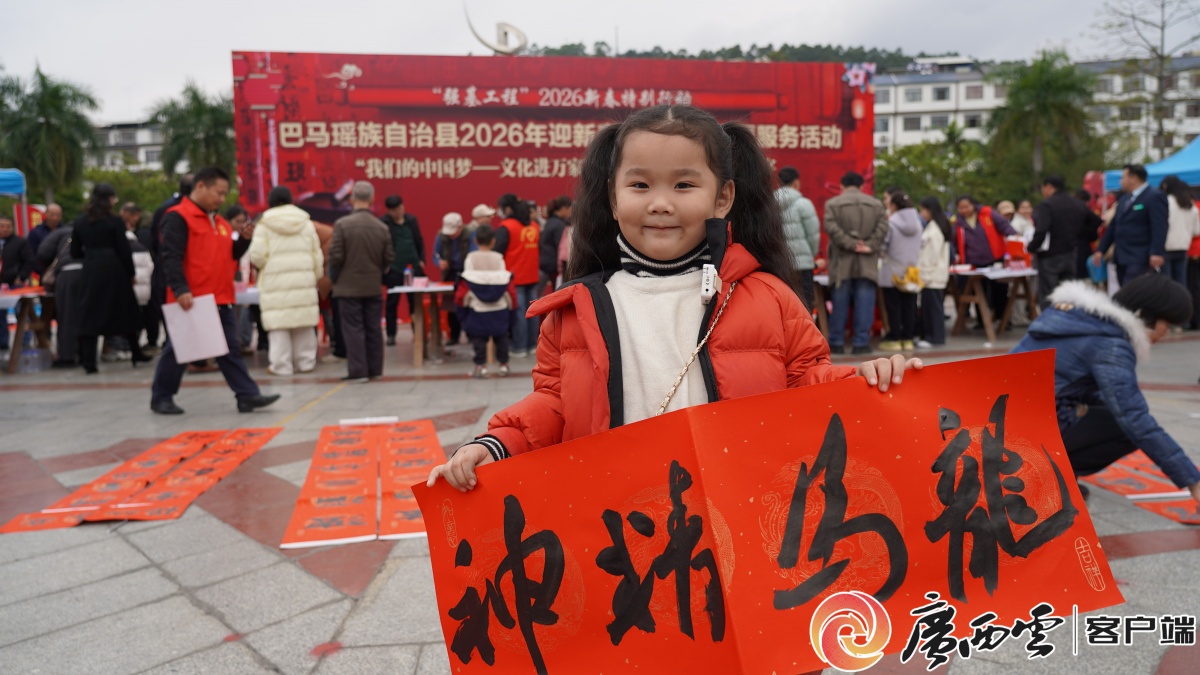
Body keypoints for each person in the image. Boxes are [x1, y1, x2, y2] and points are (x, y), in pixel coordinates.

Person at [426, 104, 922, 490]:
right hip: (620, 527)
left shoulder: (768, 296)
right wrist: (497, 443)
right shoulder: (575, 310)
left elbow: (807, 384)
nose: (660, 203)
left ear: (722, 197)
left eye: (684, 185)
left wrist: (865, 380)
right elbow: (554, 403)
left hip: (742, 517)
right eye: (640, 184)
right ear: (613, 197)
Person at [1011, 275, 1200, 504]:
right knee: (1124, 427)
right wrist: (1193, 480)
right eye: (1166, 324)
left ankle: (1048, 474)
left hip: (1001, 422)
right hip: (1022, 437)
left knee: (1109, 409)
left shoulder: (1073, 318)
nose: (1165, 333)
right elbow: (1135, 419)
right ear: (1144, 314)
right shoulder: (1110, 345)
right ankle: (1044, 476)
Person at [150, 167, 279, 415]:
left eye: (224, 194)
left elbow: (229, 255)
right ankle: (161, 396)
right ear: (200, 187)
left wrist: (244, 240)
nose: (222, 199)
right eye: (218, 193)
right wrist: (180, 288)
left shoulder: (219, 222)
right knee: (179, 348)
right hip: (193, 298)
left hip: (220, 296)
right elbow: (170, 257)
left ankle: (247, 395)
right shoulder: (178, 217)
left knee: (229, 349)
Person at [71, 184, 149, 374]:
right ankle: (136, 352)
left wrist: (91, 256)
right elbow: (124, 250)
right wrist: (131, 273)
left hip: (91, 270)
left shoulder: (80, 222)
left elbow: (74, 251)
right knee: (125, 310)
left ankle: (89, 362)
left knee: (90, 313)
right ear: (109, 199)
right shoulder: (115, 222)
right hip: (115, 270)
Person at [249, 186, 324, 376]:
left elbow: (257, 256)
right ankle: (305, 363)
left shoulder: (264, 224)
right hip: (303, 280)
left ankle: (281, 366)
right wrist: (315, 276)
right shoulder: (306, 223)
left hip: (275, 282)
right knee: (304, 322)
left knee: (279, 324)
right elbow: (317, 254)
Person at [329, 181, 394, 383]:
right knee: (373, 328)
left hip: (347, 287)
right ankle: (375, 369)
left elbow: (335, 256)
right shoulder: (381, 227)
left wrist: (334, 278)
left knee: (353, 329)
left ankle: (358, 371)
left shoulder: (342, 225)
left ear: (352, 200)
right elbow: (388, 258)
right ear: (373, 200)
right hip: (372, 285)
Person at [824, 171, 888, 355]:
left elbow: (831, 228)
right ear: (861, 186)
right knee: (865, 303)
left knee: (839, 302)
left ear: (842, 186)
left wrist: (850, 244)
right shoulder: (876, 204)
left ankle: (836, 342)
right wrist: (869, 245)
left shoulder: (832, 204)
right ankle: (861, 343)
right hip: (867, 260)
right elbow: (883, 227)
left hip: (841, 261)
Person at [1031, 175, 1103, 308]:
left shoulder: (1047, 205)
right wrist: (1081, 234)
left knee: (1049, 294)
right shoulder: (1077, 204)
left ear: (1049, 187)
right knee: (1068, 294)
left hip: (1050, 256)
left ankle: (1050, 320)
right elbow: (1096, 221)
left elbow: (1041, 231)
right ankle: (1067, 319)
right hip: (1071, 254)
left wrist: (1031, 248)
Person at [456, 224, 514, 379]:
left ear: (475, 240)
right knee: (501, 337)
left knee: (478, 339)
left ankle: (480, 366)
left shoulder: (470, 258)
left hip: (478, 307)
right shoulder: (499, 258)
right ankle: (504, 365)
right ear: (493, 241)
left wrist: (461, 309)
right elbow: (504, 280)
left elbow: (466, 283)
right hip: (499, 305)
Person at [1096, 164, 1169, 285]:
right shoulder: (1124, 199)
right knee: (1124, 291)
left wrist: (1157, 252)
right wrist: (1101, 250)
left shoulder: (1154, 196)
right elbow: (1114, 226)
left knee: (1134, 291)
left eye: (1123, 177)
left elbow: (1159, 227)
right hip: (1121, 256)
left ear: (1133, 178)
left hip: (1140, 256)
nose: (1120, 181)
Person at [145, 174, 195, 350]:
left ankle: (173, 344)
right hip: (180, 266)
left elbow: (154, 241)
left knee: (169, 310)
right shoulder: (181, 211)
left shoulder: (163, 208)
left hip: (164, 263)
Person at [952, 195, 1018, 322]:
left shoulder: (988, 213)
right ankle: (981, 321)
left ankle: (1003, 318)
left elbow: (1004, 226)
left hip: (995, 258)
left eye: (966, 206)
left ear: (973, 205)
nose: (964, 210)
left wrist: (1014, 236)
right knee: (979, 291)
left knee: (999, 289)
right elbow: (954, 242)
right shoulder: (958, 223)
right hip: (973, 262)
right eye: (960, 208)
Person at [878, 190, 922, 351]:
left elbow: (883, 246)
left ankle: (894, 339)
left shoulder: (891, 223)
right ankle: (908, 339)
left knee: (893, 306)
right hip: (911, 271)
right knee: (910, 305)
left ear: (894, 205)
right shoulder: (918, 224)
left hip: (892, 271)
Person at [37, 216, 83, 367]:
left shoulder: (59, 233)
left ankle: (67, 356)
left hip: (66, 273)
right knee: (85, 315)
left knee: (66, 315)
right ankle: (85, 355)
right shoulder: (89, 231)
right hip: (88, 273)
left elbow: (43, 252)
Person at [498, 200, 541, 357]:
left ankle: (519, 347)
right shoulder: (535, 226)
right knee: (533, 312)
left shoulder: (507, 226)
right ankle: (533, 345)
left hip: (515, 277)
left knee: (519, 313)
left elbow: (498, 251)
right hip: (532, 275)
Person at [775, 166, 821, 310]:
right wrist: (810, 255)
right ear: (796, 183)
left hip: (779, 263)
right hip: (803, 265)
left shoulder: (769, 204)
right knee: (805, 305)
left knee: (783, 305)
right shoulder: (804, 204)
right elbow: (813, 235)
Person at [381, 195, 424, 346]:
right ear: (389, 211)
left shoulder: (411, 220)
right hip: (395, 268)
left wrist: (421, 260)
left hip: (413, 266)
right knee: (392, 303)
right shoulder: (384, 223)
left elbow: (419, 240)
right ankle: (391, 334)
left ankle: (417, 332)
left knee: (415, 302)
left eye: (400, 208)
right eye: (394, 210)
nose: (399, 212)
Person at [432, 212, 474, 345]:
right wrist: (439, 262)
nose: (450, 235)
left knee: (469, 304)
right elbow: (435, 255)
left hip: (467, 273)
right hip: (450, 273)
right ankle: (454, 335)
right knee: (451, 306)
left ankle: (471, 335)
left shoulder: (470, 234)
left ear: (460, 227)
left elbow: (474, 253)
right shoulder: (441, 236)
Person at [916, 196, 951, 348]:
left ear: (930, 210)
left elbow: (932, 256)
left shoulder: (935, 229)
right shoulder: (934, 226)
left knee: (933, 308)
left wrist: (925, 273)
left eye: (922, 210)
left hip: (932, 275)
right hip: (932, 274)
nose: (921, 213)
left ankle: (935, 337)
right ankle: (930, 335)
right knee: (930, 306)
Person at [120, 203, 155, 335]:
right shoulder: (145, 232)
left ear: (136, 216)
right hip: (144, 284)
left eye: (125, 217)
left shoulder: (143, 234)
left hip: (136, 283)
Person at [1160, 175, 1199, 289]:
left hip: (1165, 248)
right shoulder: (1190, 204)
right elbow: (1197, 230)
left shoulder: (1164, 202)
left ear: (1165, 186)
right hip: (1183, 248)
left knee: (1166, 285)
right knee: (1181, 283)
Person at [539, 195, 571, 295]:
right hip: (554, 265)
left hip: (546, 263)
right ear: (564, 208)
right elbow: (562, 247)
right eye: (570, 209)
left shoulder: (550, 221)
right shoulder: (559, 225)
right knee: (557, 294)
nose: (571, 212)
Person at [26, 203, 62, 276]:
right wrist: (41, 271)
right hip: (45, 273)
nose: (55, 218)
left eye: (58, 215)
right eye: (52, 215)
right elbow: (31, 254)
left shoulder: (66, 230)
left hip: (63, 271)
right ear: (46, 214)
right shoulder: (36, 232)